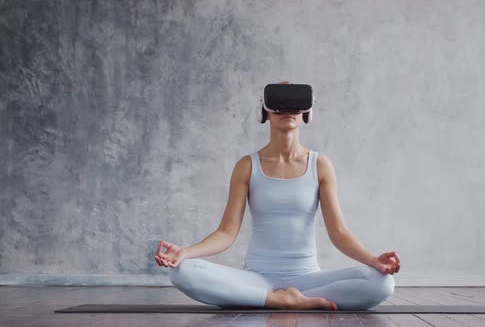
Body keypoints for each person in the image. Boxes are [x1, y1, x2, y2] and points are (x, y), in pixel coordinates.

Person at [154, 81, 401, 310]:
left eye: (295, 105)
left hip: (309, 280)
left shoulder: (320, 165)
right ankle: (278, 300)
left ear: (307, 112)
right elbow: (226, 233)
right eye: (279, 104)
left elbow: (339, 233)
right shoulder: (247, 166)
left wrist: (373, 260)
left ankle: (282, 299)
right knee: (182, 272)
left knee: (382, 283)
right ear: (265, 112)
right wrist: (186, 252)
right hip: (257, 279)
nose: (288, 110)